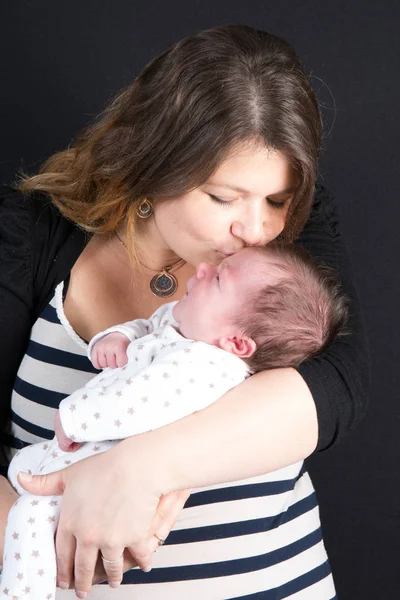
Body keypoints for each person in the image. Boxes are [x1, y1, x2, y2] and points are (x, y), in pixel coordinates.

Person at [0, 24, 369, 600]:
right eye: (222, 198)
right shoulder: (29, 234)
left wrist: (138, 470)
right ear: (153, 164)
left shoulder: (290, 238)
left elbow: (336, 385)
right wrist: (39, 549)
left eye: (276, 200)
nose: (255, 230)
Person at [1, 244, 348, 600]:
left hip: (95, 459)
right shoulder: (187, 325)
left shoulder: (206, 369)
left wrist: (76, 417)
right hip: (74, 459)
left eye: (216, 280)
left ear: (235, 344)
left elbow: (139, 403)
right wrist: (120, 337)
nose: (200, 271)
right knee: (23, 474)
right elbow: (149, 327)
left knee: (30, 517)